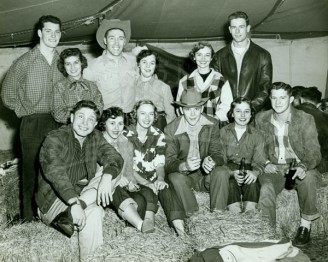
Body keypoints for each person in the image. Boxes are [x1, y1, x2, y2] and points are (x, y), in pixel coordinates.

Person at [35, 100, 124, 259]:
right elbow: (56, 174)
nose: (85, 123)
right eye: (81, 116)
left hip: (82, 197)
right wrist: (74, 203)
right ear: (71, 117)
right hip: (53, 202)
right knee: (95, 211)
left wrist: (106, 177)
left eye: (91, 119)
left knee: (114, 171)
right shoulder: (55, 138)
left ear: (96, 123)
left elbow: (114, 157)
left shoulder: (95, 137)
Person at [1, 15, 63, 221]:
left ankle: (51, 215)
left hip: (58, 121)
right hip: (32, 122)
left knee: (54, 172)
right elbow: (7, 95)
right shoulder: (24, 62)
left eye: (57, 32)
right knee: (30, 172)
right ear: (39, 33)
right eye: (48, 31)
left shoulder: (62, 61)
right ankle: (28, 219)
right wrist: (24, 111)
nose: (53, 36)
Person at [256, 82, 321, 247]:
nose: (278, 102)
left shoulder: (305, 118)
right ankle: (267, 231)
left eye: (282, 98)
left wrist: (303, 166)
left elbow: (314, 152)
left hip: (297, 164)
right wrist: (265, 162)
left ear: (291, 99)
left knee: (309, 178)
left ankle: (305, 226)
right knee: (265, 188)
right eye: (274, 98)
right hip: (275, 166)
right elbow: (257, 147)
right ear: (269, 99)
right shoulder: (261, 118)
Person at [125, 100, 186, 235]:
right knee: (148, 191)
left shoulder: (158, 134)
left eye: (151, 114)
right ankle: (148, 226)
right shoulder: (126, 134)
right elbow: (128, 166)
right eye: (143, 113)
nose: (147, 118)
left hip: (152, 176)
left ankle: (182, 232)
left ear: (155, 116)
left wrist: (160, 178)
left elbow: (159, 162)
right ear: (135, 114)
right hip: (133, 178)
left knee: (166, 188)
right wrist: (146, 183)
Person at [165, 88, 228, 216]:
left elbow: (219, 154)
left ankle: (218, 214)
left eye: (196, 109)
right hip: (186, 179)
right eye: (188, 110)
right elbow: (168, 162)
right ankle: (194, 216)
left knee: (222, 171)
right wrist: (184, 166)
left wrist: (212, 161)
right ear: (181, 110)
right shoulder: (170, 129)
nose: (193, 114)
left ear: (202, 108)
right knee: (174, 177)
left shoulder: (213, 124)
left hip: (206, 177)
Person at [97, 107, 155, 233]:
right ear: (104, 124)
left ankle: (144, 224)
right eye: (112, 123)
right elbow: (96, 171)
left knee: (146, 193)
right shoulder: (98, 141)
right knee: (132, 196)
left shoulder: (125, 142)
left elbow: (129, 168)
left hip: (124, 184)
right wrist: (118, 178)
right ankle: (139, 224)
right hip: (105, 186)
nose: (116, 128)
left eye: (120, 123)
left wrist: (131, 181)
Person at [211, 11, 272, 112]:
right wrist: (226, 110)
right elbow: (215, 88)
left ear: (248, 28)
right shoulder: (219, 56)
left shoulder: (263, 55)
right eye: (234, 27)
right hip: (226, 113)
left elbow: (265, 89)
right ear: (230, 30)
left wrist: (248, 109)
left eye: (241, 27)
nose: (237, 31)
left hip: (252, 114)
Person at [83, 19, 138, 125]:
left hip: (129, 118)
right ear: (105, 40)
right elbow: (86, 98)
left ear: (125, 41)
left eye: (120, 38)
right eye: (112, 38)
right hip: (105, 119)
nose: (117, 43)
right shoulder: (92, 66)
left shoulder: (133, 62)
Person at [218, 97, 265, 213]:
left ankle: (250, 215)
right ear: (232, 114)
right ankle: (234, 216)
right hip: (228, 167)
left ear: (251, 114)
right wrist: (230, 173)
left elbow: (260, 161)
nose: (243, 115)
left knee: (253, 183)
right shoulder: (223, 132)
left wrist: (255, 172)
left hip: (248, 168)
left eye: (246, 111)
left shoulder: (257, 135)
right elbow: (220, 160)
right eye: (238, 111)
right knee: (230, 183)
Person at [176, 41, 233, 126]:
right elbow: (179, 106)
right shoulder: (184, 81)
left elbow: (228, 105)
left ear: (211, 57)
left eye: (207, 55)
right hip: (191, 126)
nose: (203, 59)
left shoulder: (222, 80)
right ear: (194, 57)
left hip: (215, 126)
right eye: (199, 55)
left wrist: (213, 120)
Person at [52, 48, 104, 124]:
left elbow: (99, 107)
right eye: (68, 64)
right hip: (68, 128)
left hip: (90, 125)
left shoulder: (92, 86)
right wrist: (78, 120)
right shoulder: (59, 87)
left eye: (76, 62)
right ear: (63, 66)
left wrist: (87, 120)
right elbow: (58, 113)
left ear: (82, 63)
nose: (72, 67)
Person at [135, 49, 176, 131]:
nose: (148, 66)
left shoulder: (164, 88)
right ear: (138, 64)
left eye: (152, 63)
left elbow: (171, 116)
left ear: (155, 65)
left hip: (158, 129)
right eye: (144, 62)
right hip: (135, 130)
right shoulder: (131, 87)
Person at [297, 87, 328, 173]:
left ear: (301, 99)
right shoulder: (325, 117)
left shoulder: (290, 112)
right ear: (318, 103)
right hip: (320, 166)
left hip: (293, 163)